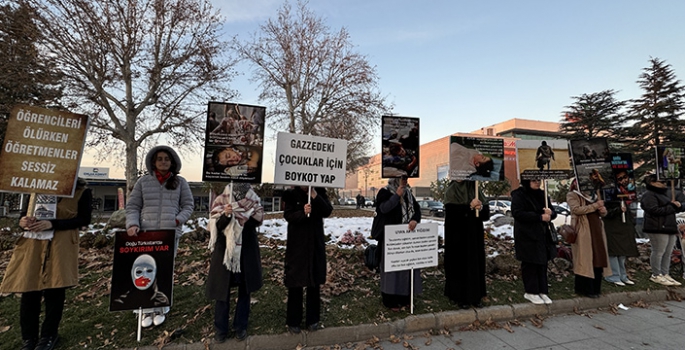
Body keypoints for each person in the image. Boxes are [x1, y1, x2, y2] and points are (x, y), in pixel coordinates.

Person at [0, 178, 92, 350]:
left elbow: (84, 219)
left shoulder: (81, 191)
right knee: (29, 289)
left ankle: (49, 336)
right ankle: (29, 338)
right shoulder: (36, 190)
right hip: (34, 245)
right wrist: (22, 222)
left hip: (60, 245)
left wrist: (52, 224)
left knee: (55, 290)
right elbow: (23, 216)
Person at [126, 145, 194, 327]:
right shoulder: (143, 182)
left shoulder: (180, 183)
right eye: (160, 159)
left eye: (167, 159)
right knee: (144, 271)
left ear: (172, 162)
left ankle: (160, 307)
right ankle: (144, 309)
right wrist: (132, 224)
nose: (163, 162)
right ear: (153, 162)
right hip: (145, 235)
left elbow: (188, 206)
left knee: (163, 271)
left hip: (169, 235)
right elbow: (133, 206)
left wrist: (178, 220)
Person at [206, 183, 264, 342]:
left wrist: (243, 217)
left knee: (245, 290)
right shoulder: (221, 200)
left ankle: (241, 327)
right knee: (222, 291)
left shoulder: (255, 200)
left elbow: (257, 221)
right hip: (226, 250)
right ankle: (220, 329)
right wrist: (226, 215)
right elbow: (215, 226)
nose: (241, 187)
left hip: (246, 250)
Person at [283, 186, 333, 333]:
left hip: (314, 244)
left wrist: (315, 196)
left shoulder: (320, 192)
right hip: (297, 245)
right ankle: (294, 321)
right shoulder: (291, 194)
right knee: (295, 282)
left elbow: (327, 211)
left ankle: (313, 320)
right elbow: (288, 215)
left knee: (314, 282)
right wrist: (303, 213)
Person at [375, 176, 422, 309]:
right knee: (392, 272)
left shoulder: (409, 194)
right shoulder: (385, 192)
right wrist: (396, 196)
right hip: (391, 238)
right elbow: (383, 209)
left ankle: (405, 298)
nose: (405, 181)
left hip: (406, 237)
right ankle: (390, 300)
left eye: (406, 179)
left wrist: (414, 220)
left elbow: (416, 211)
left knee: (406, 269)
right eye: (402, 179)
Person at [443, 180, 489, 308]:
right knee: (459, 264)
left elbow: (486, 215)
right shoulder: (452, 190)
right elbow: (452, 214)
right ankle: (459, 297)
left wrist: (480, 207)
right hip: (457, 237)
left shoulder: (474, 188)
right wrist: (470, 207)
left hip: (474, 236)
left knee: (474, 264)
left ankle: (475, 296)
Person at [511, 179, 557, 305]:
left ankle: (542, 290)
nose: (538, 183)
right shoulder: (519, 195)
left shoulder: (542, 194)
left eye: (539, 180)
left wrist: (551, 213)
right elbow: (517, 213)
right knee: (530, 263)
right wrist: (539, 217)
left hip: (542, 235)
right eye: (534, 180)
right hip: (527, 235)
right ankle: (531, 291)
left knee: (542, 262)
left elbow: (553, 213)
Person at [566, 178, 611, 298]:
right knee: (585, 259)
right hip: (583, 231)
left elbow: (602, 213)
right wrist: (595, 206)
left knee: (598, 258)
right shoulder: (573, 195)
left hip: (596, 230)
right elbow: (576, 210)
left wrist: (603, 210)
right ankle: (584, 289)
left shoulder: (595, 194)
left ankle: (596, 288)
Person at [640, 174, 684, 286]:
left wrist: (677, 205)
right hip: (657, 227)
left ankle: (665, 273)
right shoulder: (649, 195)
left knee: (668, 252)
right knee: (659, 251)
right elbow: (653, 210)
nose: (664, 184)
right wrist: (671, 207)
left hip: (669, 225)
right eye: (661, 182)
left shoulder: (664, 194)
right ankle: (656, 274)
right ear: (652, 182)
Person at [603, 199, 639, 286]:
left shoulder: (622, 199)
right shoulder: (606, 198)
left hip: (623, 228)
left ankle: (622, 275)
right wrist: (618, 210)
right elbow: (606, 214)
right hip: (612, 229)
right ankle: (613, 276)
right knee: (613, 253)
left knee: (622, 254)